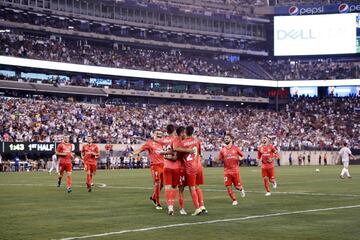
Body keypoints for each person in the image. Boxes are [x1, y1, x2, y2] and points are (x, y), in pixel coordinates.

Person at [174, 126, 207, 216]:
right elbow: (200, 153)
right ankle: (202, 206)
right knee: (197, 187)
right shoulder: (197, 140)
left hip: (189, 167)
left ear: (185, 132)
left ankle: (197, 208)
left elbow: (176, 151)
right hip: (199, 166)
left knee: (189, 188)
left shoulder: (182, 142)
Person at [132, 129, 165, 210]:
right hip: (155, 166)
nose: (158, 136)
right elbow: (140, 149)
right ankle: (158, 203)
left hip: (163, 165)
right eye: (157, 134)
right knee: (157, 183)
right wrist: (133, 153)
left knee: (162, 184)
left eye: (159, 134)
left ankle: (154, 197)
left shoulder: (162, 143)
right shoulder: (149, 143)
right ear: (153, 135)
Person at [218, 134, 245, 206]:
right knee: (228, 186)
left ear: (231, 139)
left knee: (237, 187)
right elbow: (220, 160)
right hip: (227, 171)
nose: (226, 139)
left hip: (235, 171)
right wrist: (216, 160)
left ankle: (241, 189)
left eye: (227, 138)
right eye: (225, 138)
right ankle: (234, 200)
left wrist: (240, 159)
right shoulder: (222, 150)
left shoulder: (236, 148)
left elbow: (242, 156)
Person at [158, 124, 179, 215]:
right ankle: (172, 205)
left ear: (166, 131)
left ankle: (170, 207)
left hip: (166, 166)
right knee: (174, 187)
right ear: (174, 131)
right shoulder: (176, 139)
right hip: (176, 166)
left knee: (167, 187)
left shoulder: (162, 140)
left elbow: (159, 150)